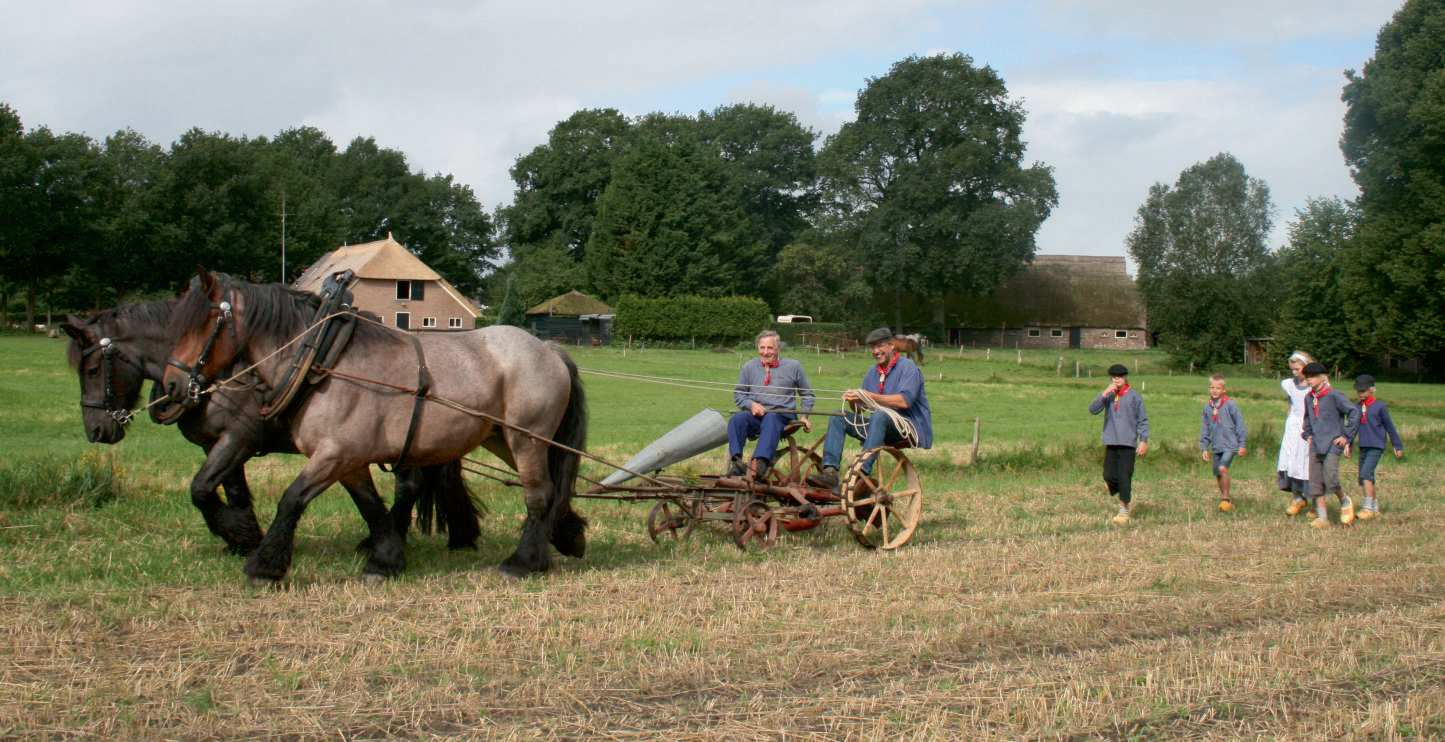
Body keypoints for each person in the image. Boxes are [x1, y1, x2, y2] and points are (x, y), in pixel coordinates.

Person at [806, 327, 932, 491]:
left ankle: (860, 474)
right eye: (872, 347)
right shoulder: (872, 373)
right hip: (879, 424)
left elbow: (904, 401)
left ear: (892, 345)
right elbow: (860, 410)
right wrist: (855, 400)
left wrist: (868, 396)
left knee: (880, 415)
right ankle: (829, 473)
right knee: (838, 416)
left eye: (879, 346)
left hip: (908, 427)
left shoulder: (907, 367)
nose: (875, 351)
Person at [726, 329, 814, 481]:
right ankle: (737, 463)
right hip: (757, 415)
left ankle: (761, 463)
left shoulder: (794, 366)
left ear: (778, 348)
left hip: (783, 415)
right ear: (758, 348)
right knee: (737, 419)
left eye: (770, 348)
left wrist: (804, 416)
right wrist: (751, 404)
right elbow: (739, 394)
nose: (765, 352)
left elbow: (807, 394)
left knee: (772, 417)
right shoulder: (749, 367)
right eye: (762, 348)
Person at [1300, 362, 1360, 529]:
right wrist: (1308, 434)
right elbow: (1307, 419)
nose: (1309, 380)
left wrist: (1346, 436)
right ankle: (1322, 518)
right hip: (1315, 445)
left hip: (1332, 444)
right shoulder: (1309, 398)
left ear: (1323, 377)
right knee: (1315, 482)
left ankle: (1345, 501)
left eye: (1312, 377)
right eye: (1307, 377)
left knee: (1331, 479)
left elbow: (1354, 412)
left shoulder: (1334, 395)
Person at [1088, 364, 1149, 525]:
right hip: (1111, 441)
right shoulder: (1108, 396)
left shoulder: (1135, 397)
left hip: (1128, 443)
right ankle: (1121, 490)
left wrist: (1143, 440)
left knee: (1124, 477)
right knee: (1108, 476)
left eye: (1120, 377)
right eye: (1114, 377)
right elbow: (1092, 410)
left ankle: (1123, 511)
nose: (1117, 380)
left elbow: (1143, 420)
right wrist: (1104, 394)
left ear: (1125, 377)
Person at [1348, 374, 1404, 520]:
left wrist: (1397, 445)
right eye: (1358, 391)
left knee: (1365, 474)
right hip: (1363, 446)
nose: (1360, 394)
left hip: (1376, 445)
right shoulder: (1357, 407)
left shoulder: (1380, 407)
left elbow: (1389, 427)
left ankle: (1367, 508)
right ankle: (1375, 507)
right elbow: (1353, 428)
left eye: (1363, 391)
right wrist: (1348, 443)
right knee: (1366, 478)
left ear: (1372, 389)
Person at [1199, 374, 1247, 512]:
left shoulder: (1230, 404)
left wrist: (1242, 444)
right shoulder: (1207, 407)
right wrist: (1204, 448)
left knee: (1222, 468)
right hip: (1216, 446)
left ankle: (1225, 499)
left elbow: (1240, 424)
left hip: (1230, 445)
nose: (1214, 390)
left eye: (1218, 388)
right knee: (1218, 473)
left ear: (1223, 390)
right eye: (1212, 387)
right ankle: (1226, 500)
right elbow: (1205, 428)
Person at [1279, 351, 1315, 516]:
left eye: (1297, 369)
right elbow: (1291, 405)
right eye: (1292, 369)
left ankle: (1315, 502)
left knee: (1307, 462)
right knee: (1290, 460)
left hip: (1307, 425)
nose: (1294, 372)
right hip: (1292, 426)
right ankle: (1297, 498)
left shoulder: (1313, 385)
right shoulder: (1289, 385)